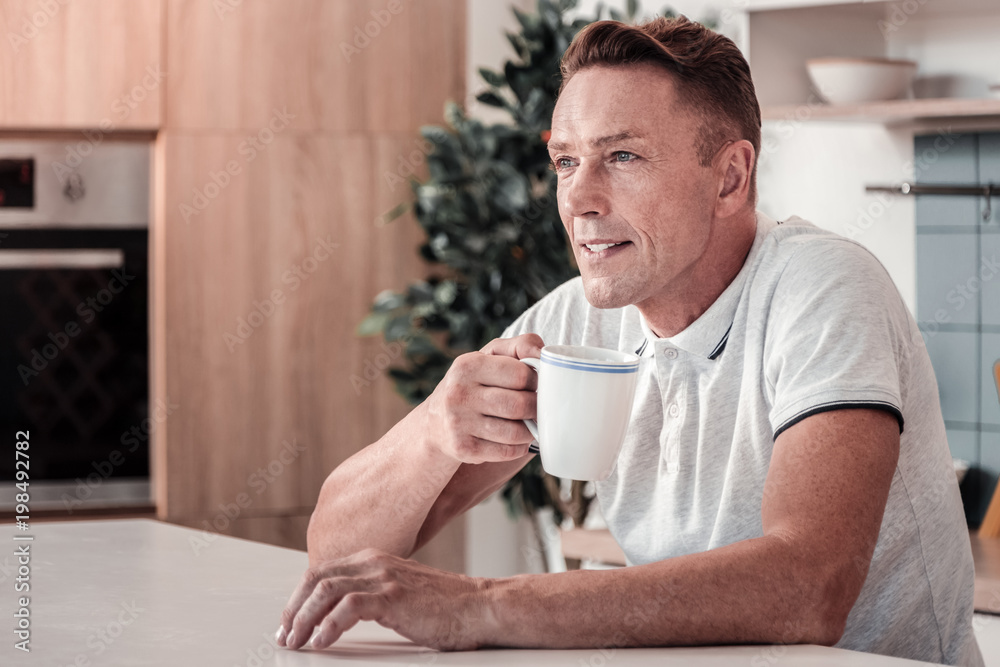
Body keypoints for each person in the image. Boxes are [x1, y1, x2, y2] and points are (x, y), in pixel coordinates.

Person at [276, 16, 983, 666]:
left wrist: (481, 604)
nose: (578, 198)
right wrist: (433, 431)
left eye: (621, 156)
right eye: (565, 162)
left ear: (730, 178)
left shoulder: (823, 287)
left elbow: (809, 585)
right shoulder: (578, 322)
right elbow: (336, 558)